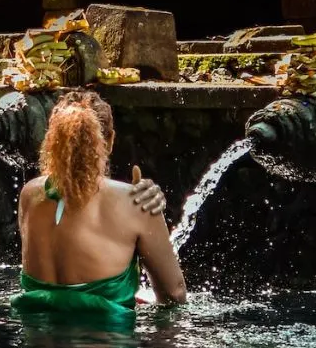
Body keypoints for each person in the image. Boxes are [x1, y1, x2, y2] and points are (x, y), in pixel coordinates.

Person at [12, 90, 186, 317]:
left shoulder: (29, 194)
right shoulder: (137, 202)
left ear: (53, 140)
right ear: (110, 140)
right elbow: (174, 294)